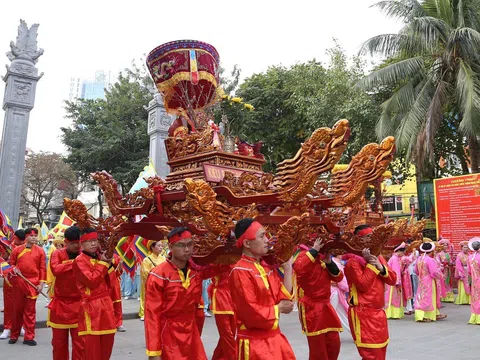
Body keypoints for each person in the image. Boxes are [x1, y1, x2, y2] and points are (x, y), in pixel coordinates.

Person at [145, 227, 223, 360]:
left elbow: (222, 266)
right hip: (168, 334)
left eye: (190, 245)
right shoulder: (159, 274)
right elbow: (152, 315)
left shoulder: (196, 271)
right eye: (181, 245)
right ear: (170, 246)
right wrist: (154, 351)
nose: (187, 250)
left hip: (191, 333)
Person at [229, 218, 295, 360]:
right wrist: (279, 309)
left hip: (275, 340)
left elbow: (285, 300)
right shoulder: (240, 271)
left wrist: (288, 269)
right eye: (262, 236)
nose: (267, 240)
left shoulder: (265, 268)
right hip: (254, 345)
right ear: (247, 243)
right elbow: (251, 312)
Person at [343, 224, 397, 360]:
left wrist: (380, 266)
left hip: (378, 313)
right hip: (363, 314)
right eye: (368, 238)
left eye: (373, 237)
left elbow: (392, 279)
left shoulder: (378, 257)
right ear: (359, 241)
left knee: (380, 353)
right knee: (371, 355)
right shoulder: (352, 262)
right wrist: (372, 265)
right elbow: (363, 285)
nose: (373, 241)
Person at [294, 236, 344, 360]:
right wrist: (314, 250)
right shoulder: (302, 255)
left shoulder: (324, 258)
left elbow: (339, 278)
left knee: (334, 344)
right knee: (318, 349)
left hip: (326, 306)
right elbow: (299, 268)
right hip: (311, 307)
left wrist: (329, 263)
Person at [73, 228, 116, 360]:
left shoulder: (100, 258)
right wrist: (103, 263)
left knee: (107, 346)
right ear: (82, 244)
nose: (93, 244)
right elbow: (92, 281)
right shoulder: (79, 261)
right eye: (89, 241)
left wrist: (109, 263)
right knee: (92, 351)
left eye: (95, 241)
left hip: (106, 306)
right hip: (91, 308)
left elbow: (112, 283)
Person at [47, 226, 85, 360]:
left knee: (80, 344)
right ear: (66, 242)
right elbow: (56, 269)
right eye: (72, 243)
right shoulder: (57, 253)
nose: (76, 246)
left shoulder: (85, 254)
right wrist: (75, 262)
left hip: (80, 304)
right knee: (59, 343)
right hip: (60, 305)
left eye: (78, 242)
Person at [8, 228, 46, 346]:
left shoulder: (40, 251)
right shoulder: (17, 250)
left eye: (36, 236)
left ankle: (29, 337)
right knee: (17, 310)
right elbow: (11, 264)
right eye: (32, 235)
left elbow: (42, 269)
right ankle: (14, 335)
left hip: (33, 283)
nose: (34, 238)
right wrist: (13, 268)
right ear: (26, 237)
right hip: (19, 281)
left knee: (30, 312)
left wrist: (41, 284)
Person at [0, 229, 26, 340]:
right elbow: (3, 259)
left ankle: (21, 326)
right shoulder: (7, 246)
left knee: (21, 305)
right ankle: (7, 327)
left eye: (21, 241)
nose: (18, 242)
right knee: (9, 305)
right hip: (9, 280)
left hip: (23, 280)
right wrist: (5, 257)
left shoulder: (28, 248)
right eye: (17, 239)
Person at [414, 241, 447, 322]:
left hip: (421, 280)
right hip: (429, 281)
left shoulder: (419, 259)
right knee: (430, 297)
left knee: (421, 297)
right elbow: (434, 272)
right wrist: (440, 274)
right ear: (431, 251)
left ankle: (421, 315)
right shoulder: (430, 260)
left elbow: (416, 270)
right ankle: (428, 315)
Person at [210, 267, 236, 360]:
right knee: (227, 334)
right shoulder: (218, 260)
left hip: (233, 297)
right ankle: (233, 357)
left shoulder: (237, 259)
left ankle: (218, 357)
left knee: (232, 333)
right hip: (221, 298)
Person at [139, 240, 166, 321]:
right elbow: (145, 273)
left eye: (161, 246)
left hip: (162, 282)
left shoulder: (163, 258)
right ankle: (143, 313)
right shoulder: (147, 260)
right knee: (146, 297)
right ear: (152, 247)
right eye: (158, 246)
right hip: (150, 282)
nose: (161, 248)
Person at [384, 243, 406, 319]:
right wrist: (398, 282)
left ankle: (390, 313)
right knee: (394, 297)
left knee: (390, 296)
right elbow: (396, 272)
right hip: (394, 281)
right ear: (399, 251)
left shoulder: (393, 258)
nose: (403, 254)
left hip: (391, 280)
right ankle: (394, 314)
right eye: (403, 252)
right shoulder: (395, 259)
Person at [330, 255, 350, 333]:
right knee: (332, 314)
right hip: (334, 292)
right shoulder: (336, 264)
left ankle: (356, 332)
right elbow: (342, 281)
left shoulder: (334, 262)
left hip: (334, 292)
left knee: (340, 313)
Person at [109, 253, 126, 332]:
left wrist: (120, 265)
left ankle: (119, 323)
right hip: (104, 283)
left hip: (115, 282)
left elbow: (120, 272)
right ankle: (109, 323)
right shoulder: (99, 255)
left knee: (117, 304)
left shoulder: (116, 256)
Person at [467, 237, 480, 324]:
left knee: (476, 298)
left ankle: (475, 317)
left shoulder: (470, 257)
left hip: (475, 281)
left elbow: (469, 271)